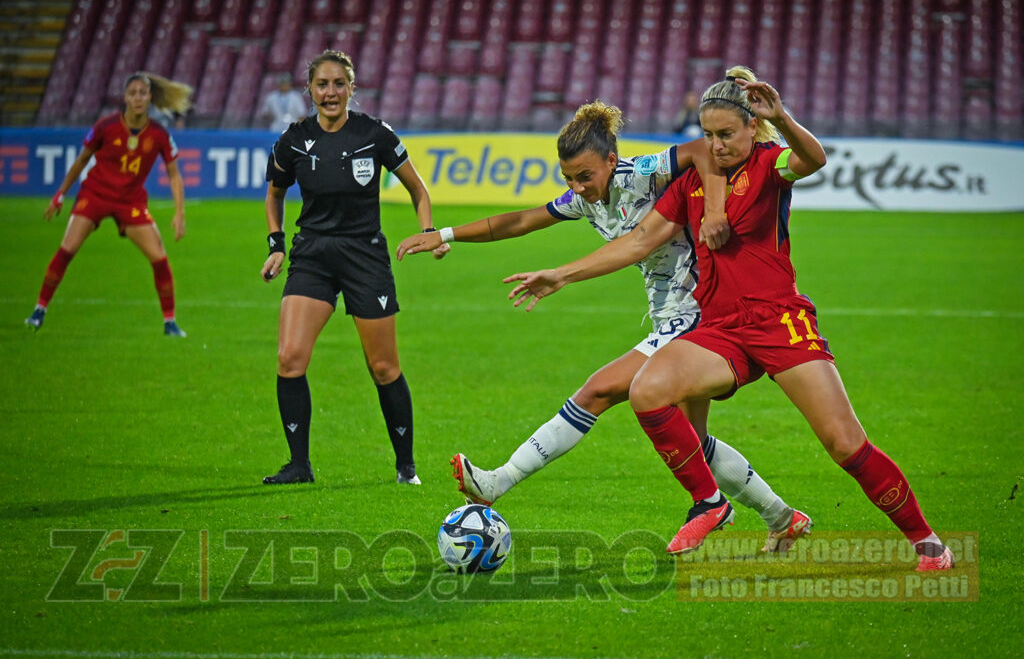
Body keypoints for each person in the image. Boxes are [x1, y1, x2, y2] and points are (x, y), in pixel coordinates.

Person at [505, 67, 954, 570]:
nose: (717, 146)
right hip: (719, 330)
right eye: (709, 136)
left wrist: (780, 117)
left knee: (844, 443)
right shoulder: (691, 184)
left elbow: (813, 159)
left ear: (750, 129)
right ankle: (710, 503)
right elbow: (639, 241)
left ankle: (927, 542)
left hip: (778, 321)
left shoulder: (769, 164)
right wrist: (562, 275)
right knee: (647, 392)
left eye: (727, 134)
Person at [397, 100, 813, 554]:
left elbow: (699, 150)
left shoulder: (643, 172)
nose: (577, 187)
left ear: (611, 161)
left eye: (584, 176)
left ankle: (499, 481)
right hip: (672, 316)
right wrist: (446, 234)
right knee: (696, 442)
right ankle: (782, 517)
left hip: (696, 313)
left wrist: (714, 210)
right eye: (569, 179)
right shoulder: (584, 199)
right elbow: (519, 220)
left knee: (597, 391)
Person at [260, 50, 448, 486]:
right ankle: (299, 466)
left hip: (364, 256)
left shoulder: (375, 134)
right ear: (310, 90)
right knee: (289, 359)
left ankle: (406, 467)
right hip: (312, 256)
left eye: (338, 84)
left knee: (383, 368)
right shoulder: (292, 140)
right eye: (322, 85)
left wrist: (429, 232)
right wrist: (276, 245)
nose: (330, 92)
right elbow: (274, 195)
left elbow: (419, 190)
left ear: (351, 88)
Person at [25, 71, 191, 336]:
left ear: (150, 97)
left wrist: (179, 213)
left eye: (143, 93)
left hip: (130, 202)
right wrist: (61, 193)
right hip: (96, 194)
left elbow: (174, 173)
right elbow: (81, 160)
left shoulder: (159, 134)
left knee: (159, 259)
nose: (138, 98)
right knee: (67, 249)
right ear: (124, 97)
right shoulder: (106, 126)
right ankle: (39, 309)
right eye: (133, 93)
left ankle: (170, 323)